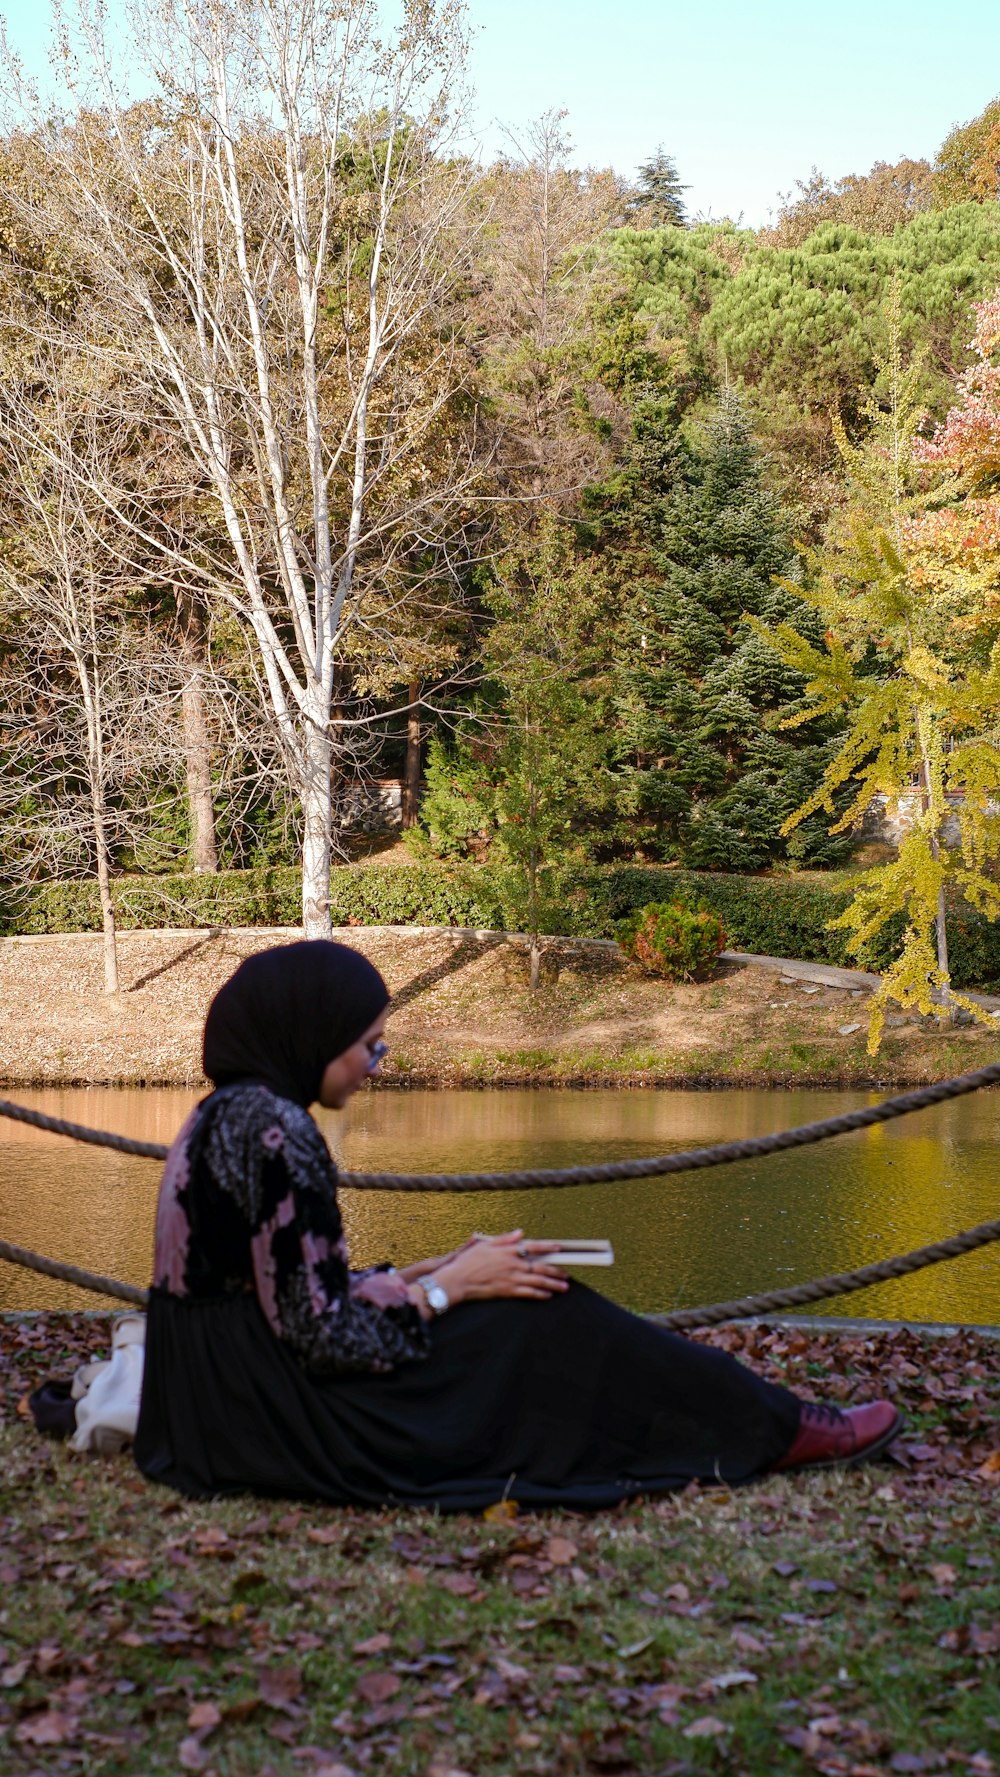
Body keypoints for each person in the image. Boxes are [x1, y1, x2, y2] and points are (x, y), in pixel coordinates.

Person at [134, 941, 902, 1507]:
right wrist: (449, 1295)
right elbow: (322, 1337)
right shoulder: (276, 1132)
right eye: (368, 1044)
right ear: (309, 1034)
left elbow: (283, 1291)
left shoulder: (224, 1115)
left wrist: (429, 1270)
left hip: (216, 1401)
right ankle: (779, 1426)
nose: (378, 1062)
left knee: (517, 1299)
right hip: (279, 1415)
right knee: (542, 1312)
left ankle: (762, 1416)